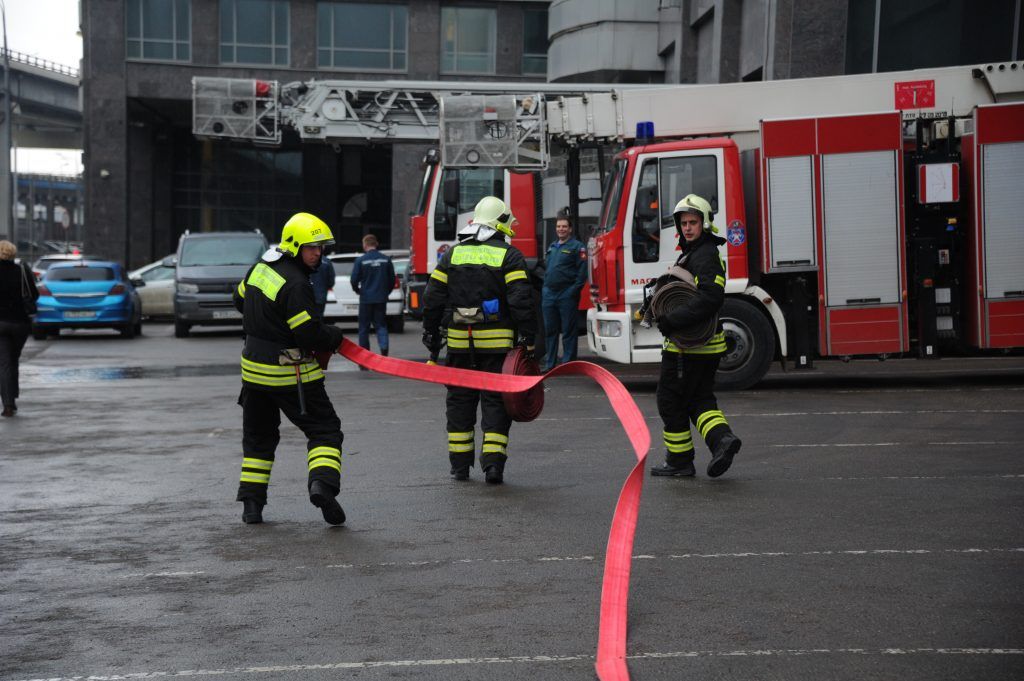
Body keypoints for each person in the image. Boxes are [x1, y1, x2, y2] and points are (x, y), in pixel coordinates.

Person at [232, 212, 347, 525]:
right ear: (295, 246)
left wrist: (265, 319)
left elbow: (239, 299)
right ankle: (322, 485)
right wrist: (335, 336)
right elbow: (308, 334)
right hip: (291, 375)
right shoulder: (297, 283)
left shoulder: (260, 268)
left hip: (253, 375)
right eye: (312, 247)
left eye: (321, 247)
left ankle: (252, 507)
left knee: (258, 441)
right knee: (325, 429)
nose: (318, 253)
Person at [421, 196, 537, 484]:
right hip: (498, 347)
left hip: (460, 346)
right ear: (501, 224)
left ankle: (460, 466)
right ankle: (493, 466)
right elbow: (521, 300)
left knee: (460, 403)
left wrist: (431, 333)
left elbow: (432, 299)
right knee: (496, 403)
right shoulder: (509, 256)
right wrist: (530, 338)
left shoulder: (453, 255)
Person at [651, 194, 742, 478]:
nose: (688, 227)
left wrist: (670, 320)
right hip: (698, 349)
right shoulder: (693, 252)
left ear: (705, 224)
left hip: (688, 351)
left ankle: (679, 461)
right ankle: (722, 441)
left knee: (670, 401)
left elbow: (709, 298)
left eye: (693, 222)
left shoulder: (705, 255)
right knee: (699, 400)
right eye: (684, 223)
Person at [541, 214, 588, 371]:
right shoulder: (552, 246)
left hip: (566, 295)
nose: (561, 229)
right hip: (549, 295)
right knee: (550, 331)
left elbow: (582, 274)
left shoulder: (577, 247)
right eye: (558, 226)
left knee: (568, 331)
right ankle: (550, 364)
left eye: (564, 226)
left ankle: (567, 365)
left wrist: (572, 292)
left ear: (570, 229)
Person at [0, 241, 38, 417]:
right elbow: (34, 294)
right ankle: (12, 397)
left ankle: (8, 403)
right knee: (12, 359)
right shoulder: (21, 271)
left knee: (5, 362)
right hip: (19, 324)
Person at [350, 234, 395, 357]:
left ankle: (365, 355)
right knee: (381, 325)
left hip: (366, 299)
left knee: (364, 328)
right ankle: (384, 352)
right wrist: (386, 292)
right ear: (376, 244)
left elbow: (354, 280)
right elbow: (392, 280)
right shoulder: (386, 260)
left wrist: (358, 291)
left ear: (365, 245)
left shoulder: (361, 260)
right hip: (381, 298)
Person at [308, 249, 336, 319]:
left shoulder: (306, 260)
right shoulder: (327, 262)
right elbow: (331, 280)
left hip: (307, 295)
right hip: (321, 295)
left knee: (307, 318)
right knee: (319, 317)